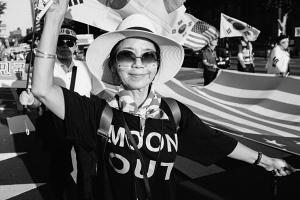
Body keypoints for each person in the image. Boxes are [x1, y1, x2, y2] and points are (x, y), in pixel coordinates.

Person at [31, 1, 295, 199]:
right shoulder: (98, 111)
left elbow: (217, 142)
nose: (138, 63)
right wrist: (54, 19)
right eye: (126, 56)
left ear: (156, 66)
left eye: (147, 56)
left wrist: (266, 161)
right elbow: (43, 89)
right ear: (113, 65)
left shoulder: (174, 113)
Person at [19, 24, 93, 200]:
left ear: (76, 46)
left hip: (83, 122)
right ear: (54, 45)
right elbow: (37, 99)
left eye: (70, 42)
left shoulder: (86, 68)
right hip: (56, 124)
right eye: (60, 42)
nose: (65, 46)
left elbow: (99, 92)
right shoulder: (44, 70)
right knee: (59, 168)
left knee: (88, 168)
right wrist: (31, 102)